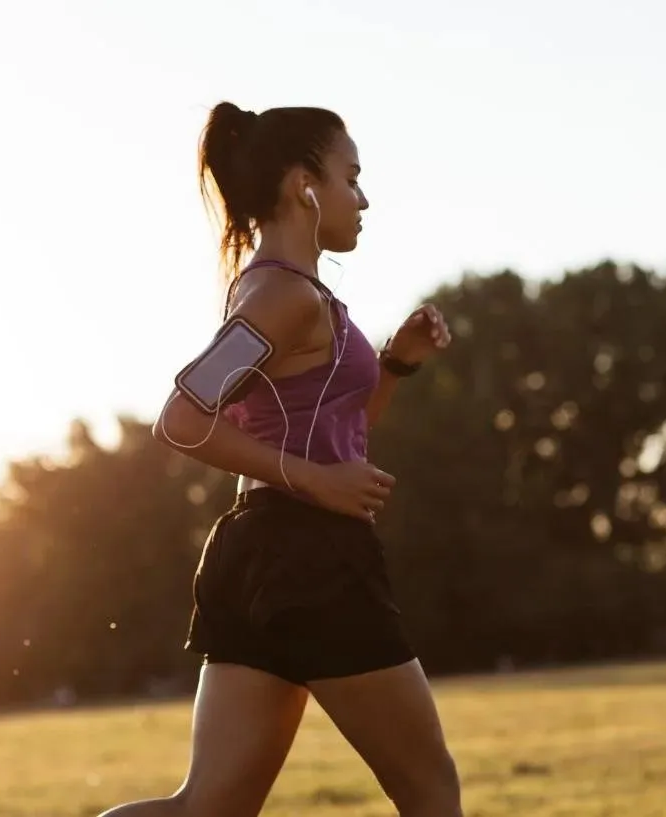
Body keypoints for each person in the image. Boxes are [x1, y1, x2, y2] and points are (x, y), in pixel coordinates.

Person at [96, 102, 463, 817]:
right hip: (308, 557)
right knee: (431, 790)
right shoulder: (279, 295)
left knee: (207, 808)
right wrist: (318, 483)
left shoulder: (291, 294)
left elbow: (337, 432)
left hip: (263, 554)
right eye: (351, 178)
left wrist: (395, 364)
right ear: (304, 185)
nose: (362, 199)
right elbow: (181, 419)